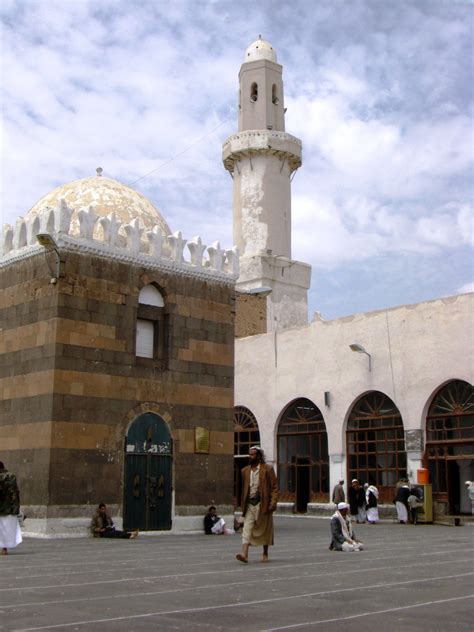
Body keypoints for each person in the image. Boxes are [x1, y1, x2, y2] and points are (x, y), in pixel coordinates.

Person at [236, 446, 279, 564]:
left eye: (253, 454)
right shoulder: (244, 471)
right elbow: (242, 489)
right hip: (249, 505)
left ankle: (265, 552)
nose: (251, 457)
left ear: (259, 456)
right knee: (247, 528)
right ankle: (244, 554)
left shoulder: (268, 469)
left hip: (263, 504)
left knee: (265, 529)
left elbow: (275, 488)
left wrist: (272, 503)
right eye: (250, 454)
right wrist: (241, 506)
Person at [0, 462, 22, 555]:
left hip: (1, 508)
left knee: (1, 529)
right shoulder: (12, 476)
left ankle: (3, 548)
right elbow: (16, 492)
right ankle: (4, 549)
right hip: (12, 508)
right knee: (8, 529)